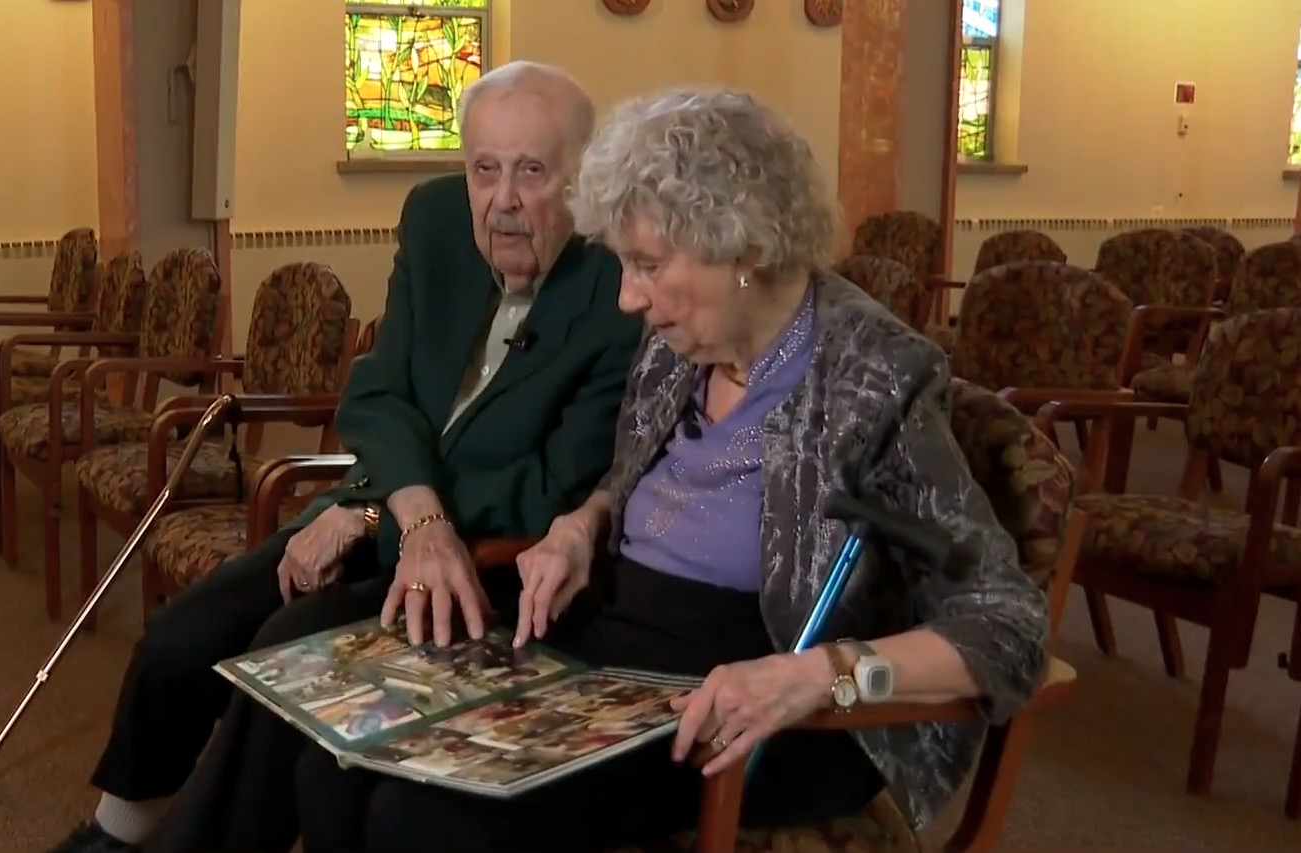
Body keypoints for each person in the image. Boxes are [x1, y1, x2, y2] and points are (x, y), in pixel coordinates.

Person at [284, 87, 1053, 851]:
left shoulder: (873, 381)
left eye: (647, 264)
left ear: (744, 247)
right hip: (602, 655)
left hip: (748, 704)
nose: (627, 297)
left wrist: (825, 675)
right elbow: (632, 478)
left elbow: (1007, 629)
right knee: (336, 768)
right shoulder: (682, 345)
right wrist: (584, 525)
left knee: (425, 819)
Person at [45, 60, 643, 853]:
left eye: (532, 173)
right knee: (179, 639)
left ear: (583, 182)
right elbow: (376, 393)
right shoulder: (434, 221)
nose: (502, 201)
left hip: (477, 563)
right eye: (484, 170)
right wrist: (382, 508)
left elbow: (544, 486)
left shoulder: (619, 290)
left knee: (282, 656)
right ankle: (113, 835)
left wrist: (387, 517)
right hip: (380, 506)